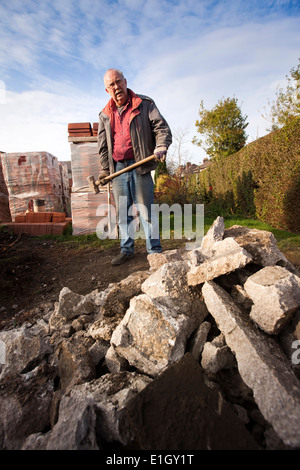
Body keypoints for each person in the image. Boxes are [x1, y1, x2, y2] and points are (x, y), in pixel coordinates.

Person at [97, 68, 172, 265]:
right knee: (123, 213)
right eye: (111, 85)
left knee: (146, 211)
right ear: (107, 90)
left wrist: (161, 145)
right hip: (119, 169)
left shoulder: (144, 104)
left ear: (125, 81)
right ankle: (126, 249)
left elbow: (161, 127)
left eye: (118, 82)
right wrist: (107, 170)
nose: (116, 87)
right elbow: (103, 145)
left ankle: (154, 251)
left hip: (141, 165)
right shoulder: (105, 114)